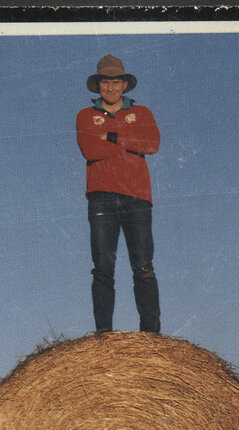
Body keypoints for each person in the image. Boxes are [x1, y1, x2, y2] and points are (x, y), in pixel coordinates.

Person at [76, 54, 161, 333]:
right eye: (105, 82)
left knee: (144, 267)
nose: (110, 88)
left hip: (137, 196)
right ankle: (104, 335)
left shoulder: (144, 113)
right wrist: (127, 142)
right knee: (102, 268)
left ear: (124, 85)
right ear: (97, 85)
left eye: (115, 82)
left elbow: (151, 144)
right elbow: (90, 149)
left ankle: (151, 335)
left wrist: (111, 137)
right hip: (101, 196)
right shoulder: (85, 116)